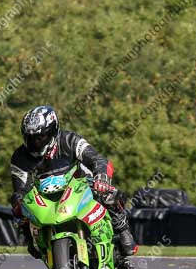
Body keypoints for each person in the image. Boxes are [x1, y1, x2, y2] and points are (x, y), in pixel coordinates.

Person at [10, 105, 138, 260]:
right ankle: (34, 243)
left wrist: (101, 177)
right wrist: (19, 201)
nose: (35, 142)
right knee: (19, 208)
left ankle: (122, 229)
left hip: (80, 184)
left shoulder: (69, 140)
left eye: (40, 137)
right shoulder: (20, 156)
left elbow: (98, 160)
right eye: (30, 138)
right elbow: (20, 188)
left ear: (53, 130)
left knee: (107, 192)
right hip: (46, 196)